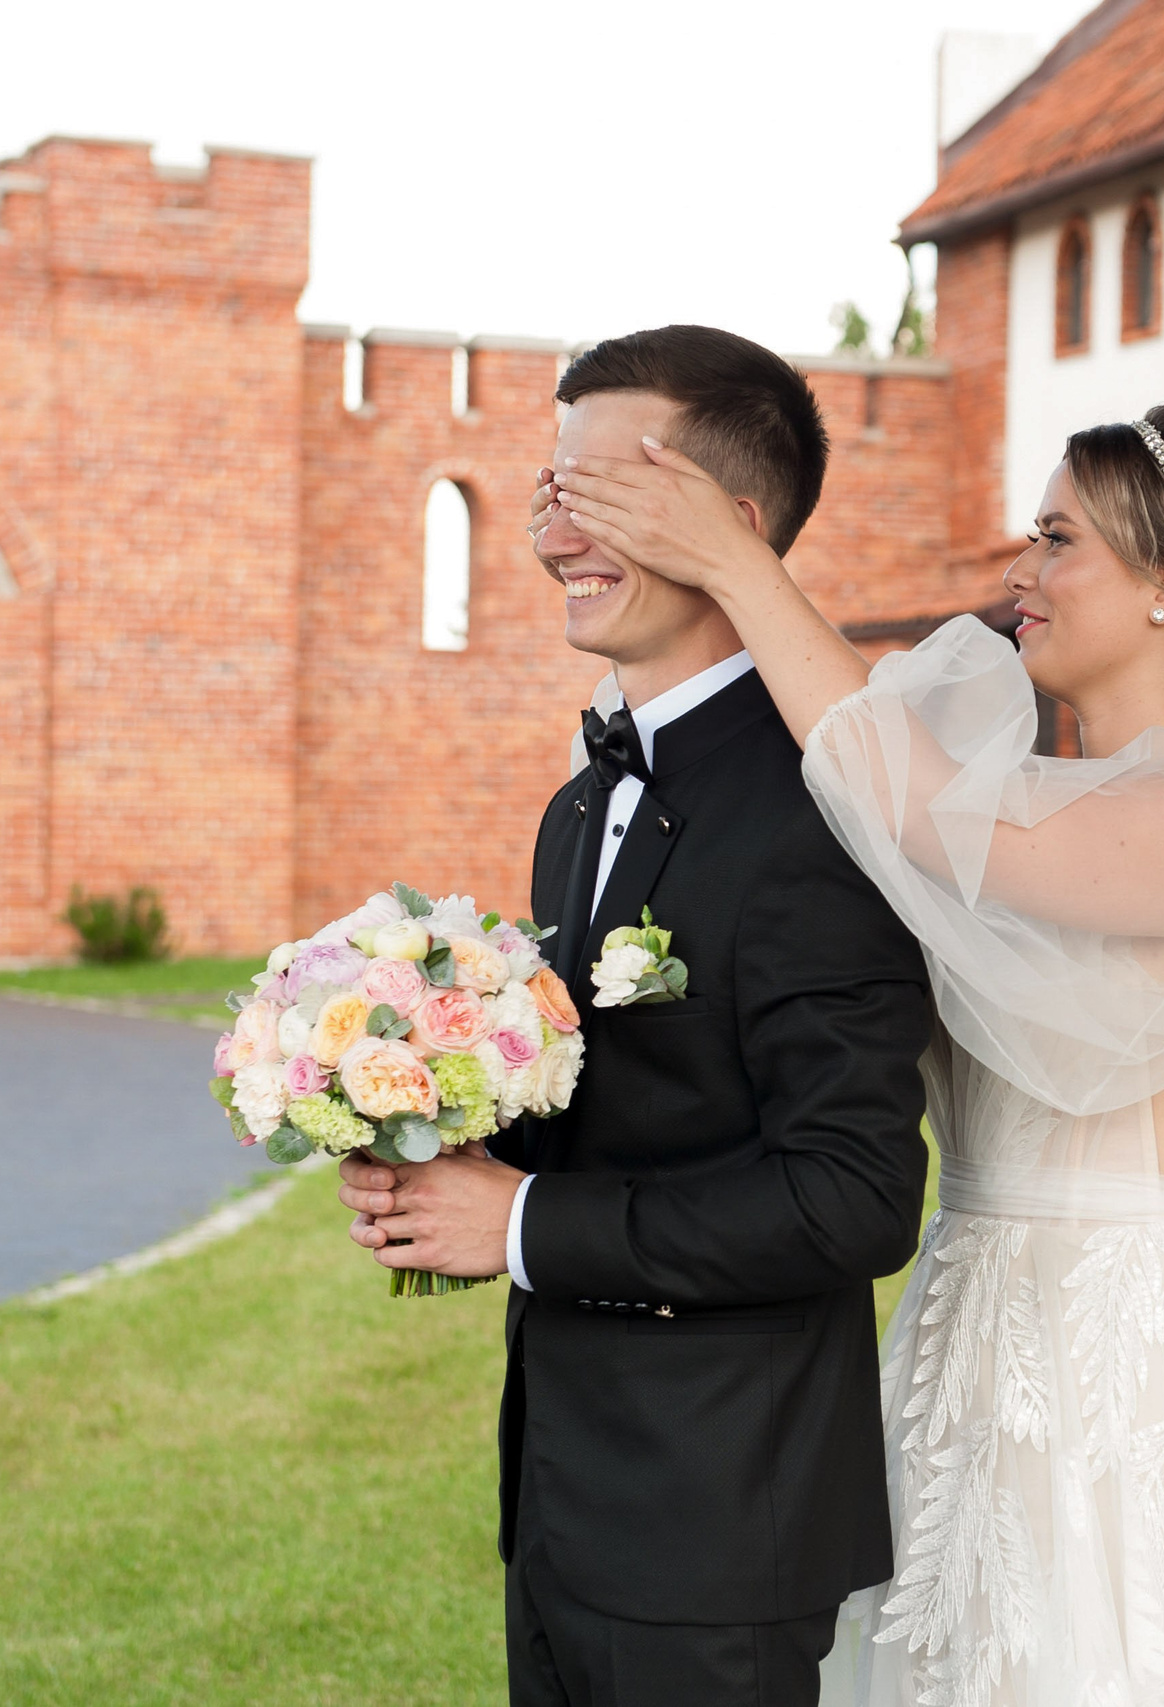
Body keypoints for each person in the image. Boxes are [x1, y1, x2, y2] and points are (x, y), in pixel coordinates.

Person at [544, 402, 1164, 1705]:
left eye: (1059, 539)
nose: (1020, 575)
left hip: (1123, 1373)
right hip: (965, 1338)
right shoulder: (1040, 804)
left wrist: (740, 566)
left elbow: (904, 805)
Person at [338, 325, 936, 1707]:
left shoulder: (821, 807)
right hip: (565, 1496)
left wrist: (525, 1227)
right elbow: (632, 1103)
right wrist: (438, 1135)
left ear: (729, 521)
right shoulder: (582, 800)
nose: (554, 532)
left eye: (598, 491)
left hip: (721, 1525)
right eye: (549, 489)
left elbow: (856, 1197)